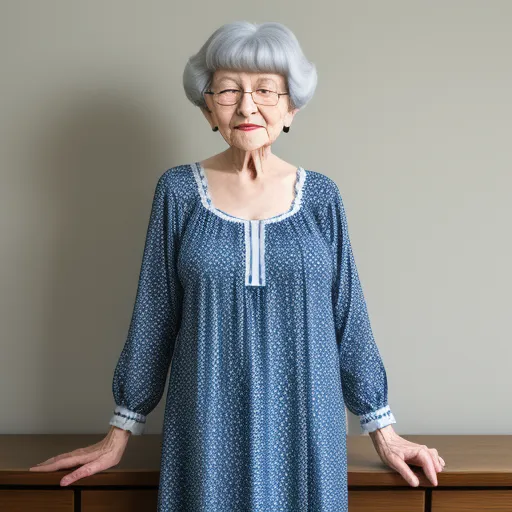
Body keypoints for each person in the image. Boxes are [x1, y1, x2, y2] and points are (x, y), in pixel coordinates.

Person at [29, 20, 445, 511]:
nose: (247, 106)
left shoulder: (321, 198)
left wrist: (386, 434)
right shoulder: (178, 193)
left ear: (290, 106)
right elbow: (154, 317)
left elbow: (348, 320)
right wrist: (119, 433)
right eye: (229, 90)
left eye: (266, 90)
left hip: (308, 426)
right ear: (209, 107)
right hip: (205, 427)